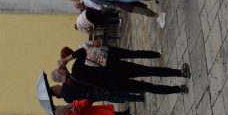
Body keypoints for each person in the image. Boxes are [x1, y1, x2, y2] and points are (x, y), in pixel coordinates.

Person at [61, 46, 190, 96]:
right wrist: (66, 60)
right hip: (113, 72)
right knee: (148, 71)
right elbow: (81, 52)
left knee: (147, 87)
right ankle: (180, 73)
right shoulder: (75, 70)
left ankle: (179, 90)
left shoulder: (71, 90)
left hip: (113, 87)